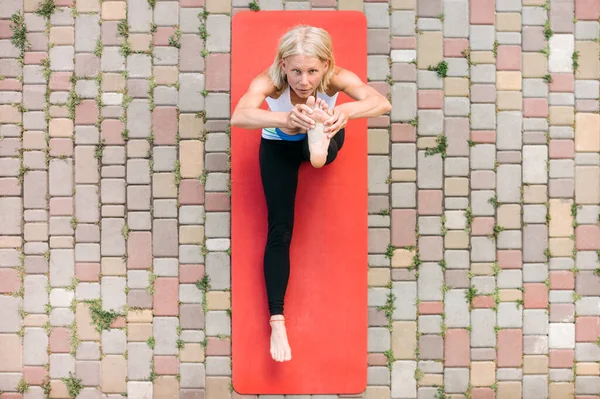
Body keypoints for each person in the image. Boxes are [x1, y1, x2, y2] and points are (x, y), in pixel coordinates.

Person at [230, 25, 392, 363]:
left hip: (325, 136)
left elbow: (381, 103)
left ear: (326, 65)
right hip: (279, 147)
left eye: (313, 71)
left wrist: (343, 112)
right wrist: (284, 118)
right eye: (297, 71)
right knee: (280, 230)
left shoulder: (335, 79)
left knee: (323, 139)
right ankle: (278, 320)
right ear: (284, 64)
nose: (304, 81)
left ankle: (319, 144)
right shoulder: (270, 81)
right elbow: (240, 116)